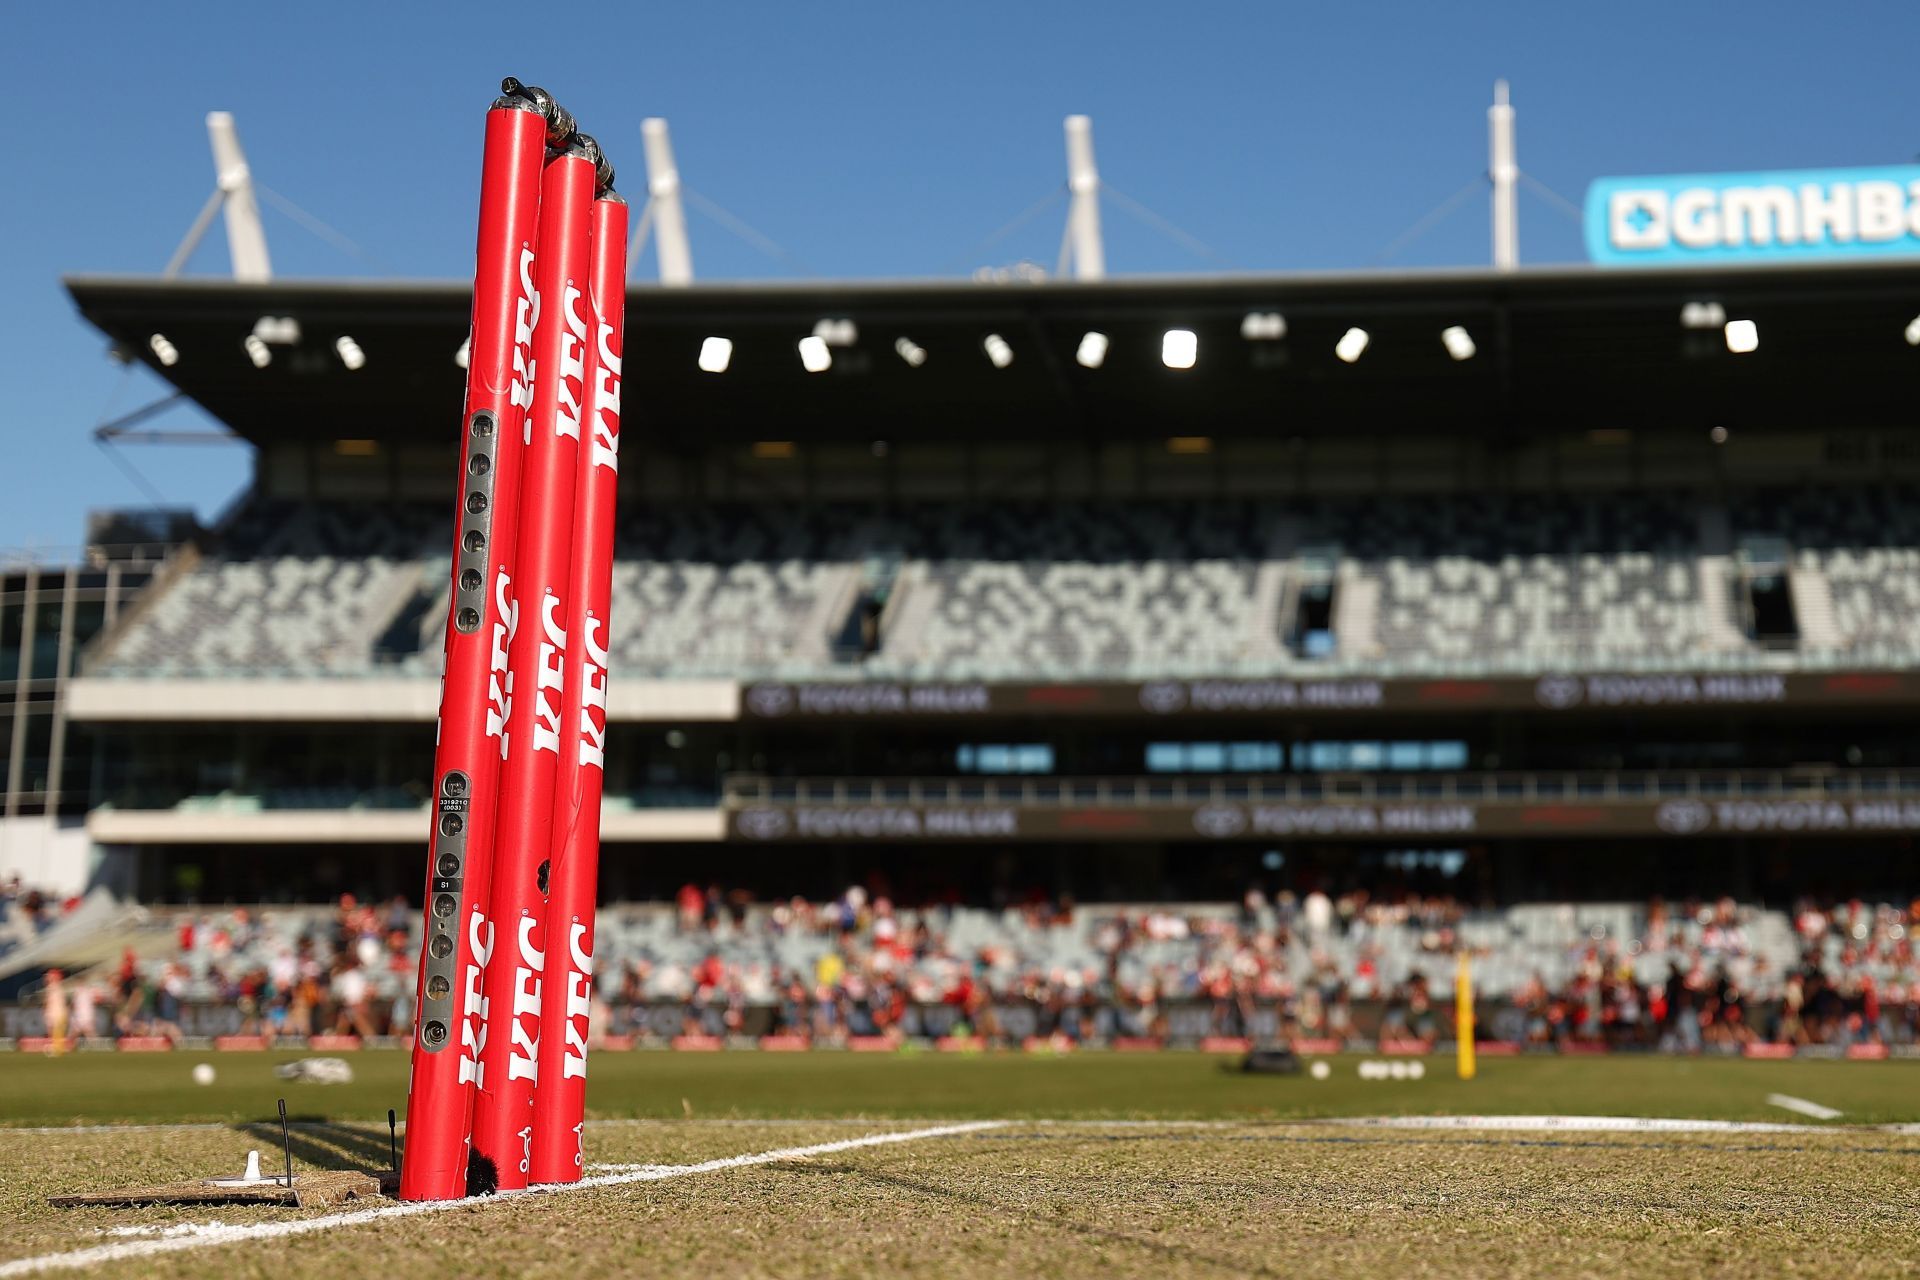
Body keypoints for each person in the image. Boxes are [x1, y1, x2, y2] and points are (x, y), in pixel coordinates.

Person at [42, 969, 69, 1055]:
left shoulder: (54, 987)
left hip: (56, 1011)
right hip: (55, 1011)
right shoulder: (56, 987)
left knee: (56, 1031)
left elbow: (50, 1001)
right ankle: (57, 1047)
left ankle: (57, 1048)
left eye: (49, 976)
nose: (47, 978)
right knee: (54, 1031)